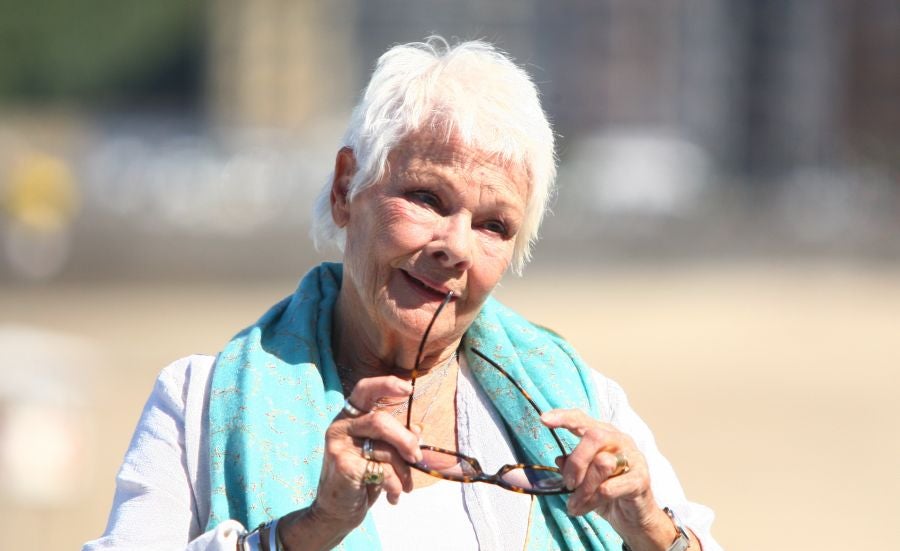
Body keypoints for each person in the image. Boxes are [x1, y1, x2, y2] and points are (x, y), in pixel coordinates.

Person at [85, 37, 722, 551]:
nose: (456, 246)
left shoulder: (585, 407)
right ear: (345, 189)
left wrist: (648, 529)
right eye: (425, 197)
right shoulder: (196, 405)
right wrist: (307, 532)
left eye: (495, 225)